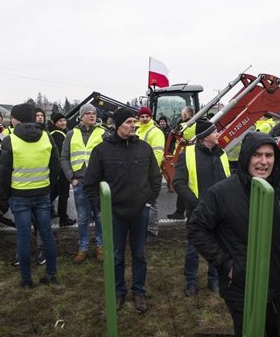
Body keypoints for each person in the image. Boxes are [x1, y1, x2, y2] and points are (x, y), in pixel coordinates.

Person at [187, 131, 280, 337]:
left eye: (269, 155)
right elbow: (196, 228)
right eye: (257, 155)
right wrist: (227, 265)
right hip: (239, 283)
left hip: (274, 281)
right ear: (247, 157)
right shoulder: (223, 193)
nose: (263, 162)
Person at [84, 108, 161, 314]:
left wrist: (148, 202)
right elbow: (90, 184)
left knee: (139, 255)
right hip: (115, 214)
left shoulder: (144, 148)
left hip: (139, 213)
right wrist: (102, 209)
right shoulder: (102, 151)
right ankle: (119, 292)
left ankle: (139, 292)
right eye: (129, 122)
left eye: (134, 122)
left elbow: (155, 178)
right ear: (117, 125)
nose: (134, 125)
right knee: (116, 256)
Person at [0, 103, 61, 288]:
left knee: (23, 238)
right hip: (42, 193)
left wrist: (6, 195)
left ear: (16, 119)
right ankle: (51, 274)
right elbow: (55, 166)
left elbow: (3, 173)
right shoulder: (47, 137)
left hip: (19, 196)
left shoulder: (10, 140)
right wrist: (47, 186)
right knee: (47, 235)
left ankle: (26, 280)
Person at [173, 119, 229, 296]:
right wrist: (196, 204)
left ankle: (214, 280)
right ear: (205, 137)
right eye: (215, 132)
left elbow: (228, 181)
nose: (218, 134)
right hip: (197, 211)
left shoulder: (222, 154)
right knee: (193, 249)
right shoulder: (188, 154)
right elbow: (179, 183)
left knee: (218, 247)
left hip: (219, 212)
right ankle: (191, 282)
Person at [61, 103, 105, 264]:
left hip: (98, 183)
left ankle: (101, 246)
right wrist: (71, 178)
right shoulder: (72, 134)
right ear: (81, 116)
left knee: (100, 216)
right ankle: (83, 247)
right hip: (79, 182)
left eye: (94, 113)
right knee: (82, 217)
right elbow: (64, 157)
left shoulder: (103, 133)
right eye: (88, 113)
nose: (92, 115)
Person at [135, 106, 165, 238]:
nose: (145, 118)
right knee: (141, 201)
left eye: (147, 116)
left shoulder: (156, 132)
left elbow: (158, 154)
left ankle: (152, 230)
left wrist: (150, 171)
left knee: (152, 202)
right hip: (139, 172)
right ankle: (143, 227)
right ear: (139, 118)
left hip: (150, 173)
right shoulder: (138, 131)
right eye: (142, 116)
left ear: (151, 117)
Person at [167, 106, 196, 220]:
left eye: (182, 114)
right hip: (191, 158)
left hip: (183, 159)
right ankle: (181, 211)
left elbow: (176, 133)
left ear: (184, 115)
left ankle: (180, 212)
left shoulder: (184, 127)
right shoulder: (197, 125)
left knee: (181, 185)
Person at [50, 112, 75, 227]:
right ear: (55, 123)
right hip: (62, 169)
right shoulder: (57, 134)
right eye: (60, 121)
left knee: (55, 191)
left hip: (60, 168)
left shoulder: (62, 133)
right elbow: (61, 153)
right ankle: (63, 219)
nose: (63, 122)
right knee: (64, 194)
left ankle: (43, 209)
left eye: (64, 120)